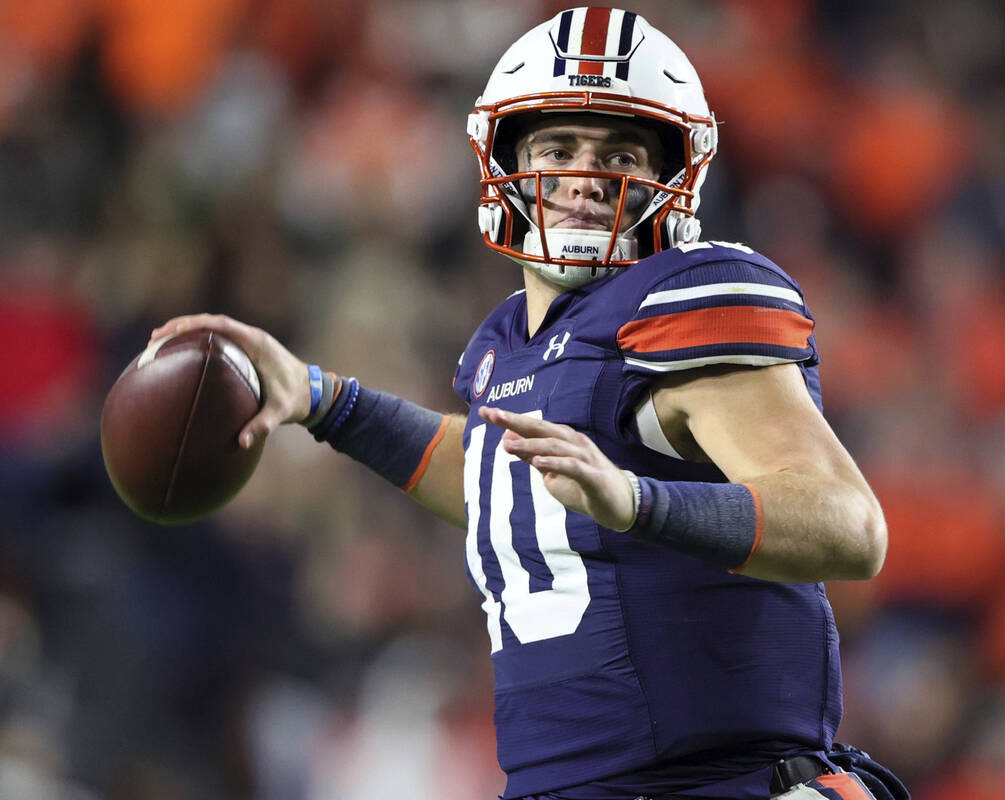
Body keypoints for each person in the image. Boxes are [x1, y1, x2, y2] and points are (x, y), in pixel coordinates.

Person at [150, 8, 909, 800]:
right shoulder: (508, 342)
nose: (584, 174)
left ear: (676, 174)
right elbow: (503, 485)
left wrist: (638, 502)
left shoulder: (685, 296)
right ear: (505, 161)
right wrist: (322, 399)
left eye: (619, 151)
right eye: (557, 148)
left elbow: (848, 526)